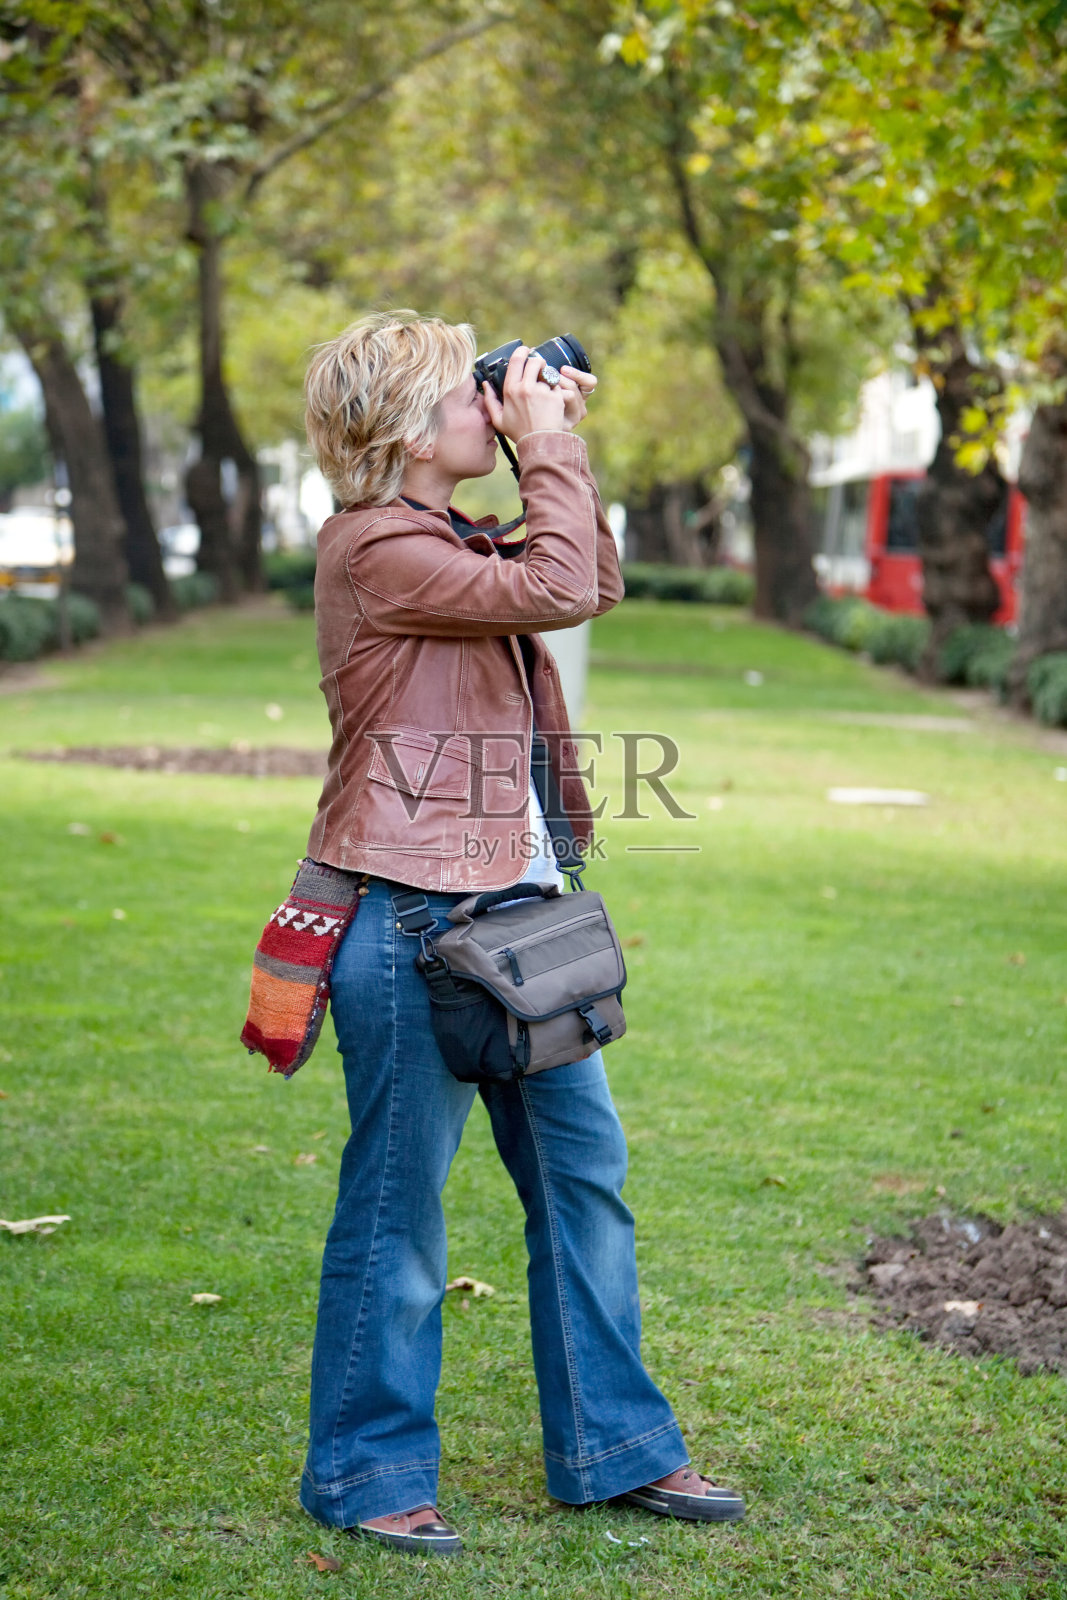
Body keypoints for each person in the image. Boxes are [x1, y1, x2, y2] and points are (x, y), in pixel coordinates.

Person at [296, 310, 745, 1555]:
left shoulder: (444, 537)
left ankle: (614, 1449)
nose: (483, 408)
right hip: (409, 918)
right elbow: (553, 584)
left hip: (518, 915)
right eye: (463, 393)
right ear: (400, 426)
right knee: (398, 1210)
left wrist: (553, 446)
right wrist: (541, 444)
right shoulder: (375, 549)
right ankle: (366, 1470)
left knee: (583, 1188)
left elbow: (586, 581)